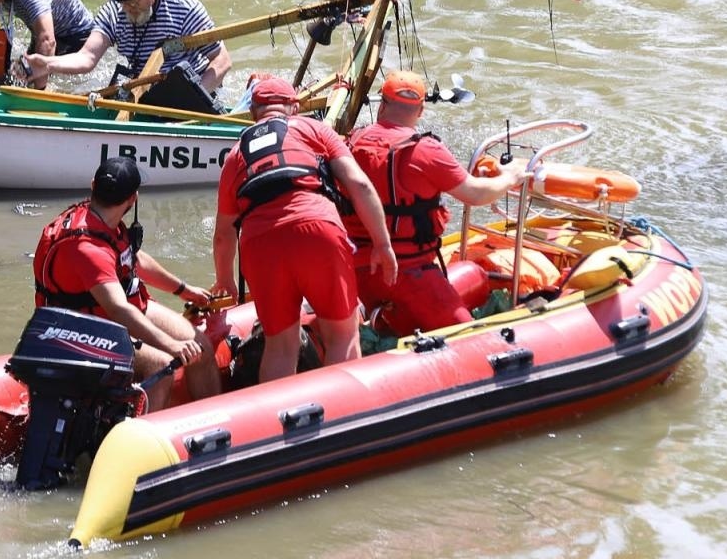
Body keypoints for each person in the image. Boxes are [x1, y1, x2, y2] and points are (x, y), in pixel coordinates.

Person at [212, 76, 396, 383]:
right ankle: (344, 414)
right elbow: (359, 184)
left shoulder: (235, 155)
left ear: (253, 112)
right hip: (315, 229)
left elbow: (223, 234)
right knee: (342, 336)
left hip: (259, 244)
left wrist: (224, 278)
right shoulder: (315, 129)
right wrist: (382, 243)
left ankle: (277, 421)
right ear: (293, 107)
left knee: (279, 346)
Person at [345, 69, 532, 335]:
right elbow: (476, 194)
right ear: (420, 110)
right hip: (411, 276)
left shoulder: (351, 143)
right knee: (469, 341)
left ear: (382, 105)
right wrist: (510, 178)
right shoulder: (426, 150)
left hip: (363, 273)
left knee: (469, 276)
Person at [33, 156, 222, 412]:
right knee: (162, 366)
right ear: (133, 198)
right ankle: (148, 445)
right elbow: (118, 310)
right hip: (80, 332)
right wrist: (172, 345)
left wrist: (183, 289)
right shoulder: (87, 249)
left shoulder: (105, 222)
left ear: (93, 186)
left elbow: (134, 259)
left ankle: (213, 420)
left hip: (119, 313)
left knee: (202, 348)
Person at [21, 0, 232, 104]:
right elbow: (86, 58)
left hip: (189, 86)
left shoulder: (184, 7)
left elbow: (221, 60)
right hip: (142, 87)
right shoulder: (114, 10)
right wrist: (48, 64)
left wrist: (193, 97)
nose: (128, 9)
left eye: (134, 3)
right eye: (124, 4)